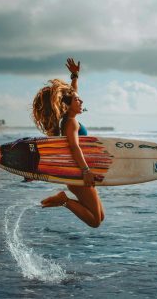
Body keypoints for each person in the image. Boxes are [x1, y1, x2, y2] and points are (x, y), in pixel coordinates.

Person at [32, 58, 104, 228]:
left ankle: (64, 200)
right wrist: (86, 171)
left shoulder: (67, 119)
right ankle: (63, 200)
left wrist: (75, 76)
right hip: (78, 175)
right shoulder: (71, 122)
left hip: (75, 176)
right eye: (78, 100)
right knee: (95, 222)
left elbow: (72, 94)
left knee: (100, 216)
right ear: (69, 106)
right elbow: (74, 146)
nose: (81, 101)